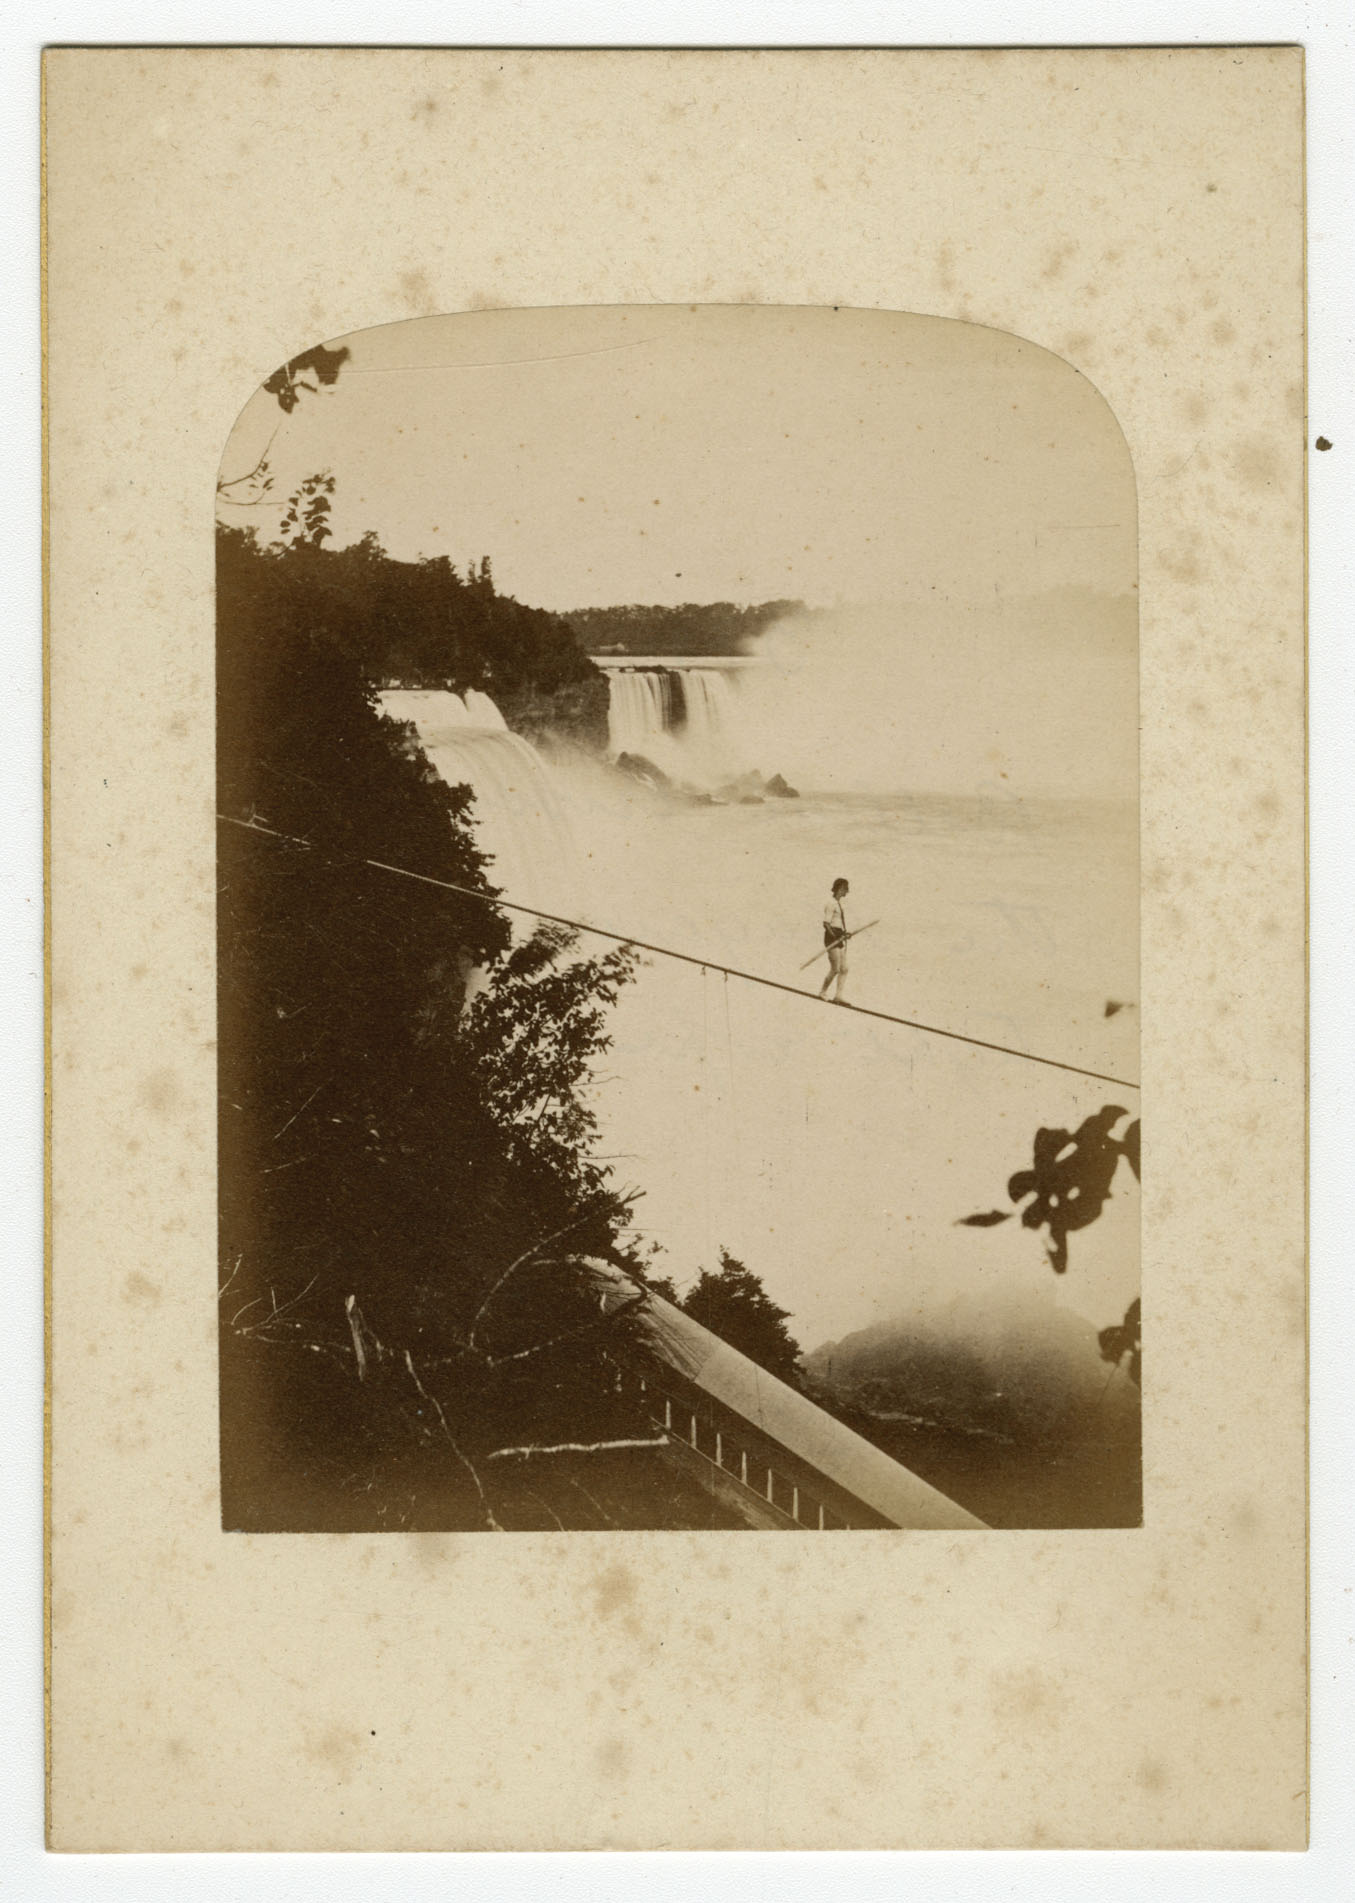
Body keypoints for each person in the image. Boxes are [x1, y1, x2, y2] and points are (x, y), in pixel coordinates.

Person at [819, 877, 850, 1003]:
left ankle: (838, 996)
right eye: (845, 888)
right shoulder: (831, 903)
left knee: (844, 968)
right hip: (831, 937)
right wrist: (835, 937)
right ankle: (822, 992)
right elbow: (826, 924)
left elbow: (837, 924)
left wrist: (844, 934)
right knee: (835, 968)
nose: (847, 891)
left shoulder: (838, 904)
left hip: (838, 936)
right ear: (840, 888)